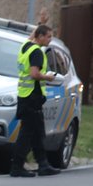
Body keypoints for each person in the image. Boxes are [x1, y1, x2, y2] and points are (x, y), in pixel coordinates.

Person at [11, 24, 61, 177]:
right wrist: (49, 77)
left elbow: (32, 35)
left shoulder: (26, 46)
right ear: (40, 37)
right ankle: (17, 167)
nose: (50, 40)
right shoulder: (38, 53)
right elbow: (34, 74)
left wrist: (42, 22)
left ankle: (43, 164)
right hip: (32, 97)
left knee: (38, 132)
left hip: (25, 95)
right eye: (48, 36)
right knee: (26, 134)